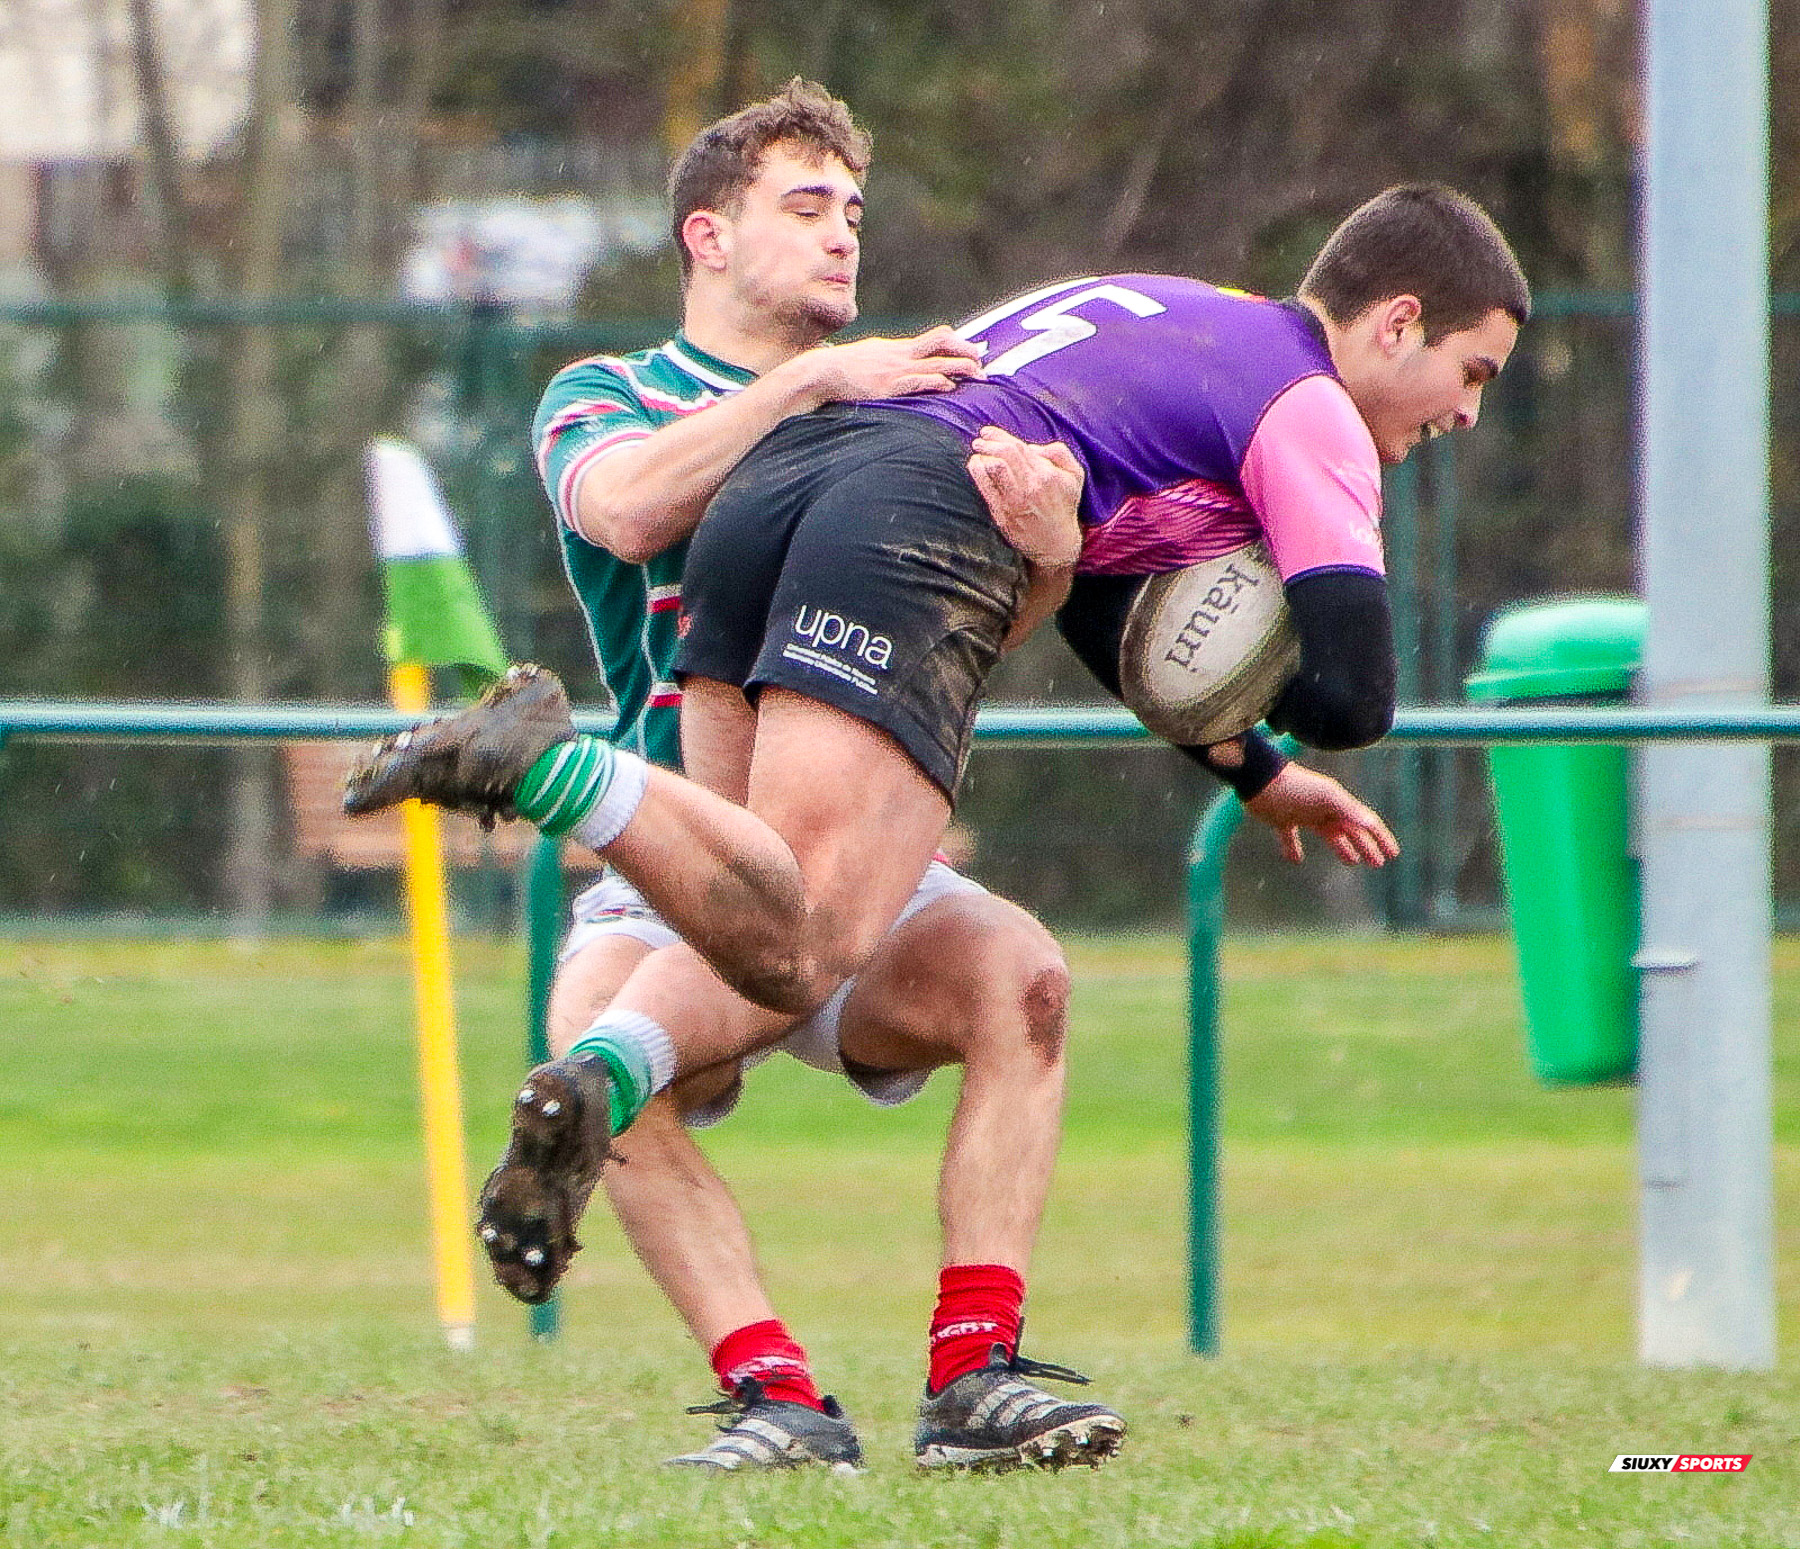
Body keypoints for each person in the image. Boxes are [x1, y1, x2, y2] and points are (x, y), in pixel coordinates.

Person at [347, 178, 1526, 1443]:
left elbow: (1090, 593)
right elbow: (1355, 691)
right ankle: (556, 771)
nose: (1463, 412)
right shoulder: (1314, 408)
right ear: (1394, 324)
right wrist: (1271, 622)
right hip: (914, 512)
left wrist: (1251, 767)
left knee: (765, 924)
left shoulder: (1186, 321)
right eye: (1473, 371)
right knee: (805, 937)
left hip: (776, 497)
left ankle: (606, 1077)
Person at [485, 81, 1123, 1473]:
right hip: (686, 867)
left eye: (855, 212)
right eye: (806, 207)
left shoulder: (908, 402)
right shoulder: (611, 396)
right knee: (587, 1071)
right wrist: (814, 387)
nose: (844, 236)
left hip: (860, 859)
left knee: (1025, 978)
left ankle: (976, 1382)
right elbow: (628, 505)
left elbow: (966, 634)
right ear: (707, 237)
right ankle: (778, 1399)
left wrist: (1052, 553)